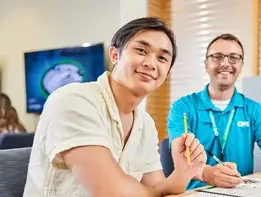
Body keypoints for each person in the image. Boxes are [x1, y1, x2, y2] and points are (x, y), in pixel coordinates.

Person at [24, 17, 206, 197]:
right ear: (115, 55)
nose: (151, 63)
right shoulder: (74, 100)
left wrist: (183, 172)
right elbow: (108, 191)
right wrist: (155, 192)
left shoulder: (144, 123)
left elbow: (159, 188)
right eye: (141, 50)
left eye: (162, 58)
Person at [168, 33, 261, 195]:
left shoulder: (255, 110)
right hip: (195, 193)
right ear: (206, 63)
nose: (225, 63)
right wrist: (207, 174)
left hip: (240, 192)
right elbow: (179, 158)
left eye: (233, 57)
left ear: (241, 64)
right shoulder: (183, 107)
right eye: (217, 57)